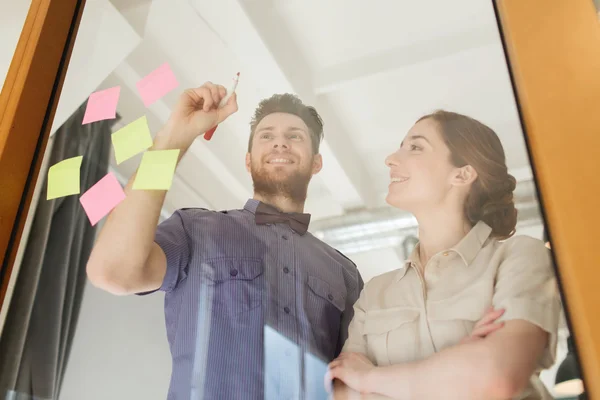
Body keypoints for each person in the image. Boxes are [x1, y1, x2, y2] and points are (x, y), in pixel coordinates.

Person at [85, 82, 364, 399]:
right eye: (267, 136)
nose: (280, 144)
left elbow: (353, 382)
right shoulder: (195, 229)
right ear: (248, 161)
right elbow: (112, 271)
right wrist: (174, 139)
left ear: (316, 163)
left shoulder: (345, 274)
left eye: (295, 136)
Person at [328, 110, 561, 400]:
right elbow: (341, 392)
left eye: (415, 146)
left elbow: (497, 378)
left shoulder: (521, 256)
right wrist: (458, 365)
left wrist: (371, 378)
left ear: (462, 173)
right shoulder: (376, 293)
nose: (390, 158)